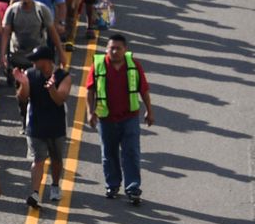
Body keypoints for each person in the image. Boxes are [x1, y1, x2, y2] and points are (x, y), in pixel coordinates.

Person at [83, 33, 153, 204]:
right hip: (106, 119)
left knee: (131, 153)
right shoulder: (98, 66)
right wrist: (90, 112)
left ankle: (133, 188)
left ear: (125, 50)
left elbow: (143, 90)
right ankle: (112, 185)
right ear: (106, 49)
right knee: (109, 153)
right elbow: (90, 91)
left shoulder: (134, 66)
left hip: (129, 118)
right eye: (111, 48)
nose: (114, 51)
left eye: (118, 48)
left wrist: (149, 111)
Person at [17, 45, 72, 208]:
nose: (32, 63)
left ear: (46, 61)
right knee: (38, 159)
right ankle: (35, 192)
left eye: (36, 60)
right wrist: (23, 84)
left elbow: (60, 99)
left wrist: (52, 89)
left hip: (56, 125)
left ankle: (55, 185)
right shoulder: (30, 74)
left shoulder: (64, 76)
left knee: (56, 159)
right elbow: (22, 98)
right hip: (35, 124)